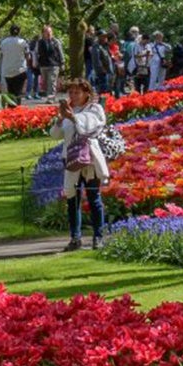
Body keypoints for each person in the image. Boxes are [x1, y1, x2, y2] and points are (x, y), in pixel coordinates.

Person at [50, 78, 111, 251]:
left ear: (86, 94)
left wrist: (72, 117)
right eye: (71, 92)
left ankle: (98, 237)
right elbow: (56, 135)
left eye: (77, 92)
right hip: (71, 160)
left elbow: (90, 127)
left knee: (94, 199)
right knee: (72, 199)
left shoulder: (95, 109)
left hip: (89, 161)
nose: (73, 95)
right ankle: (75, 238)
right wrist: (60, 120)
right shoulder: (70, 111)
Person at [0, 29, 31, 104]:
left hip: (7, 71)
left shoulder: (4, 42)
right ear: (19, 32)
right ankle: (17, 109)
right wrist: (28, 66)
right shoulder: (22, 42)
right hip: (20, 70)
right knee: (18, 92)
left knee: (10, 92)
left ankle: (10, 109)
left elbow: (1, 56)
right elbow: (27, 55)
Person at [33, 26, 65, 99]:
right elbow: (36, 53)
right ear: (43, 33)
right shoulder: (39, 42)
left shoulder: (56, 41)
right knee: (46, 83)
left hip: (54, 64)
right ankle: (49, 95)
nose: (49, 33)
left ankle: (51, 98)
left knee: (52, 81)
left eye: (50, 32)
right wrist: (35, 62)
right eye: (47, 32)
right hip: (43, 65)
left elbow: (60, 52)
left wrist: (62, 62)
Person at [82, 29, 115, 95]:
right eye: (103, 36)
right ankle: (102, 104)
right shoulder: (96, 47)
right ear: (99, 37)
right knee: (103, 91)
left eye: (106, 36)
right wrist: (102, 70)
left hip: (109, 71)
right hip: (102, 73)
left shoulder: (105, 46)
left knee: (108, 90)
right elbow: (96, 61)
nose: (105, 38)